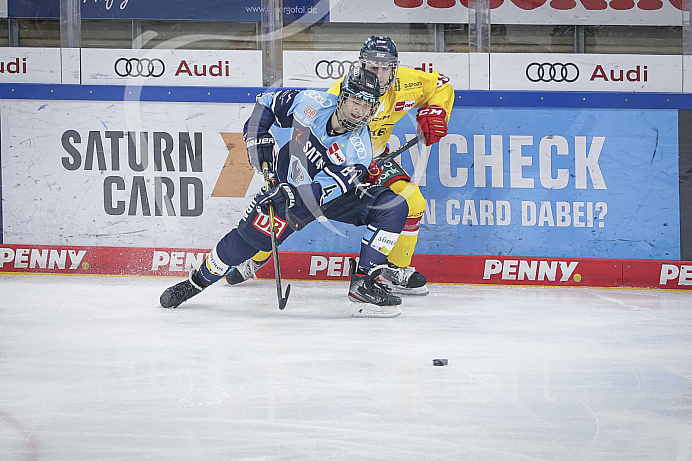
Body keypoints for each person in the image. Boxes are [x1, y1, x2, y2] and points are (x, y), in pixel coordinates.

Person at [159, 67, 409, 313]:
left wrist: (290, 196)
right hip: (286, 184)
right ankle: (197, 282)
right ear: (342, 96)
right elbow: (267, 102)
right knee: (243, 243)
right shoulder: (312, 102)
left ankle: (364, 282)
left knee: (394, 207)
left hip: (326, 197)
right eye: (356, 101)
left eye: (367, 105)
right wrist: (256, 134)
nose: (360, 111)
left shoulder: (359, 151)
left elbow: (323, 191)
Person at [225, 36, 453, 296]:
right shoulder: (342, 92)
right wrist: (352, 169)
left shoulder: (406, 83)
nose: (379, 75)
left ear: (394, 68)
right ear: (360, 67)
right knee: (288, 211)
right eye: (372, 68)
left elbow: (441, 86)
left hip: (373, 159)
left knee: (413, 201)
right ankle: (258, 254)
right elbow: (314, 140)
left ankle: (392, 268)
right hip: (326, 165)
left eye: (385, 68)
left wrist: (435, 112)